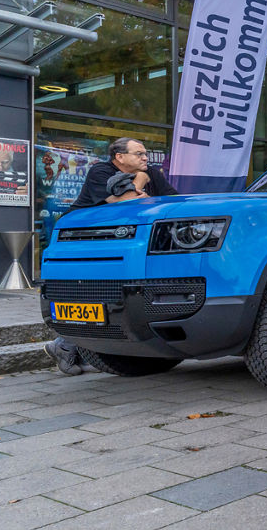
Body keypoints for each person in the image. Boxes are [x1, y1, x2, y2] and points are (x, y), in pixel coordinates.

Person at [47, 138, 177, 374]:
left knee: (116, 297)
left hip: (127, 243)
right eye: (139, 154)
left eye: (145, 153)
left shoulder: (152, 173)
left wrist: (145, 176)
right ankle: (65, 346)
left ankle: (69, 346)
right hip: (85, 242)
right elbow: (126, 203)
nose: (146, 158)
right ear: (119, 157)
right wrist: (141, 179)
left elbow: (174, 202)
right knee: (88, 294)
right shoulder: (101, 171)